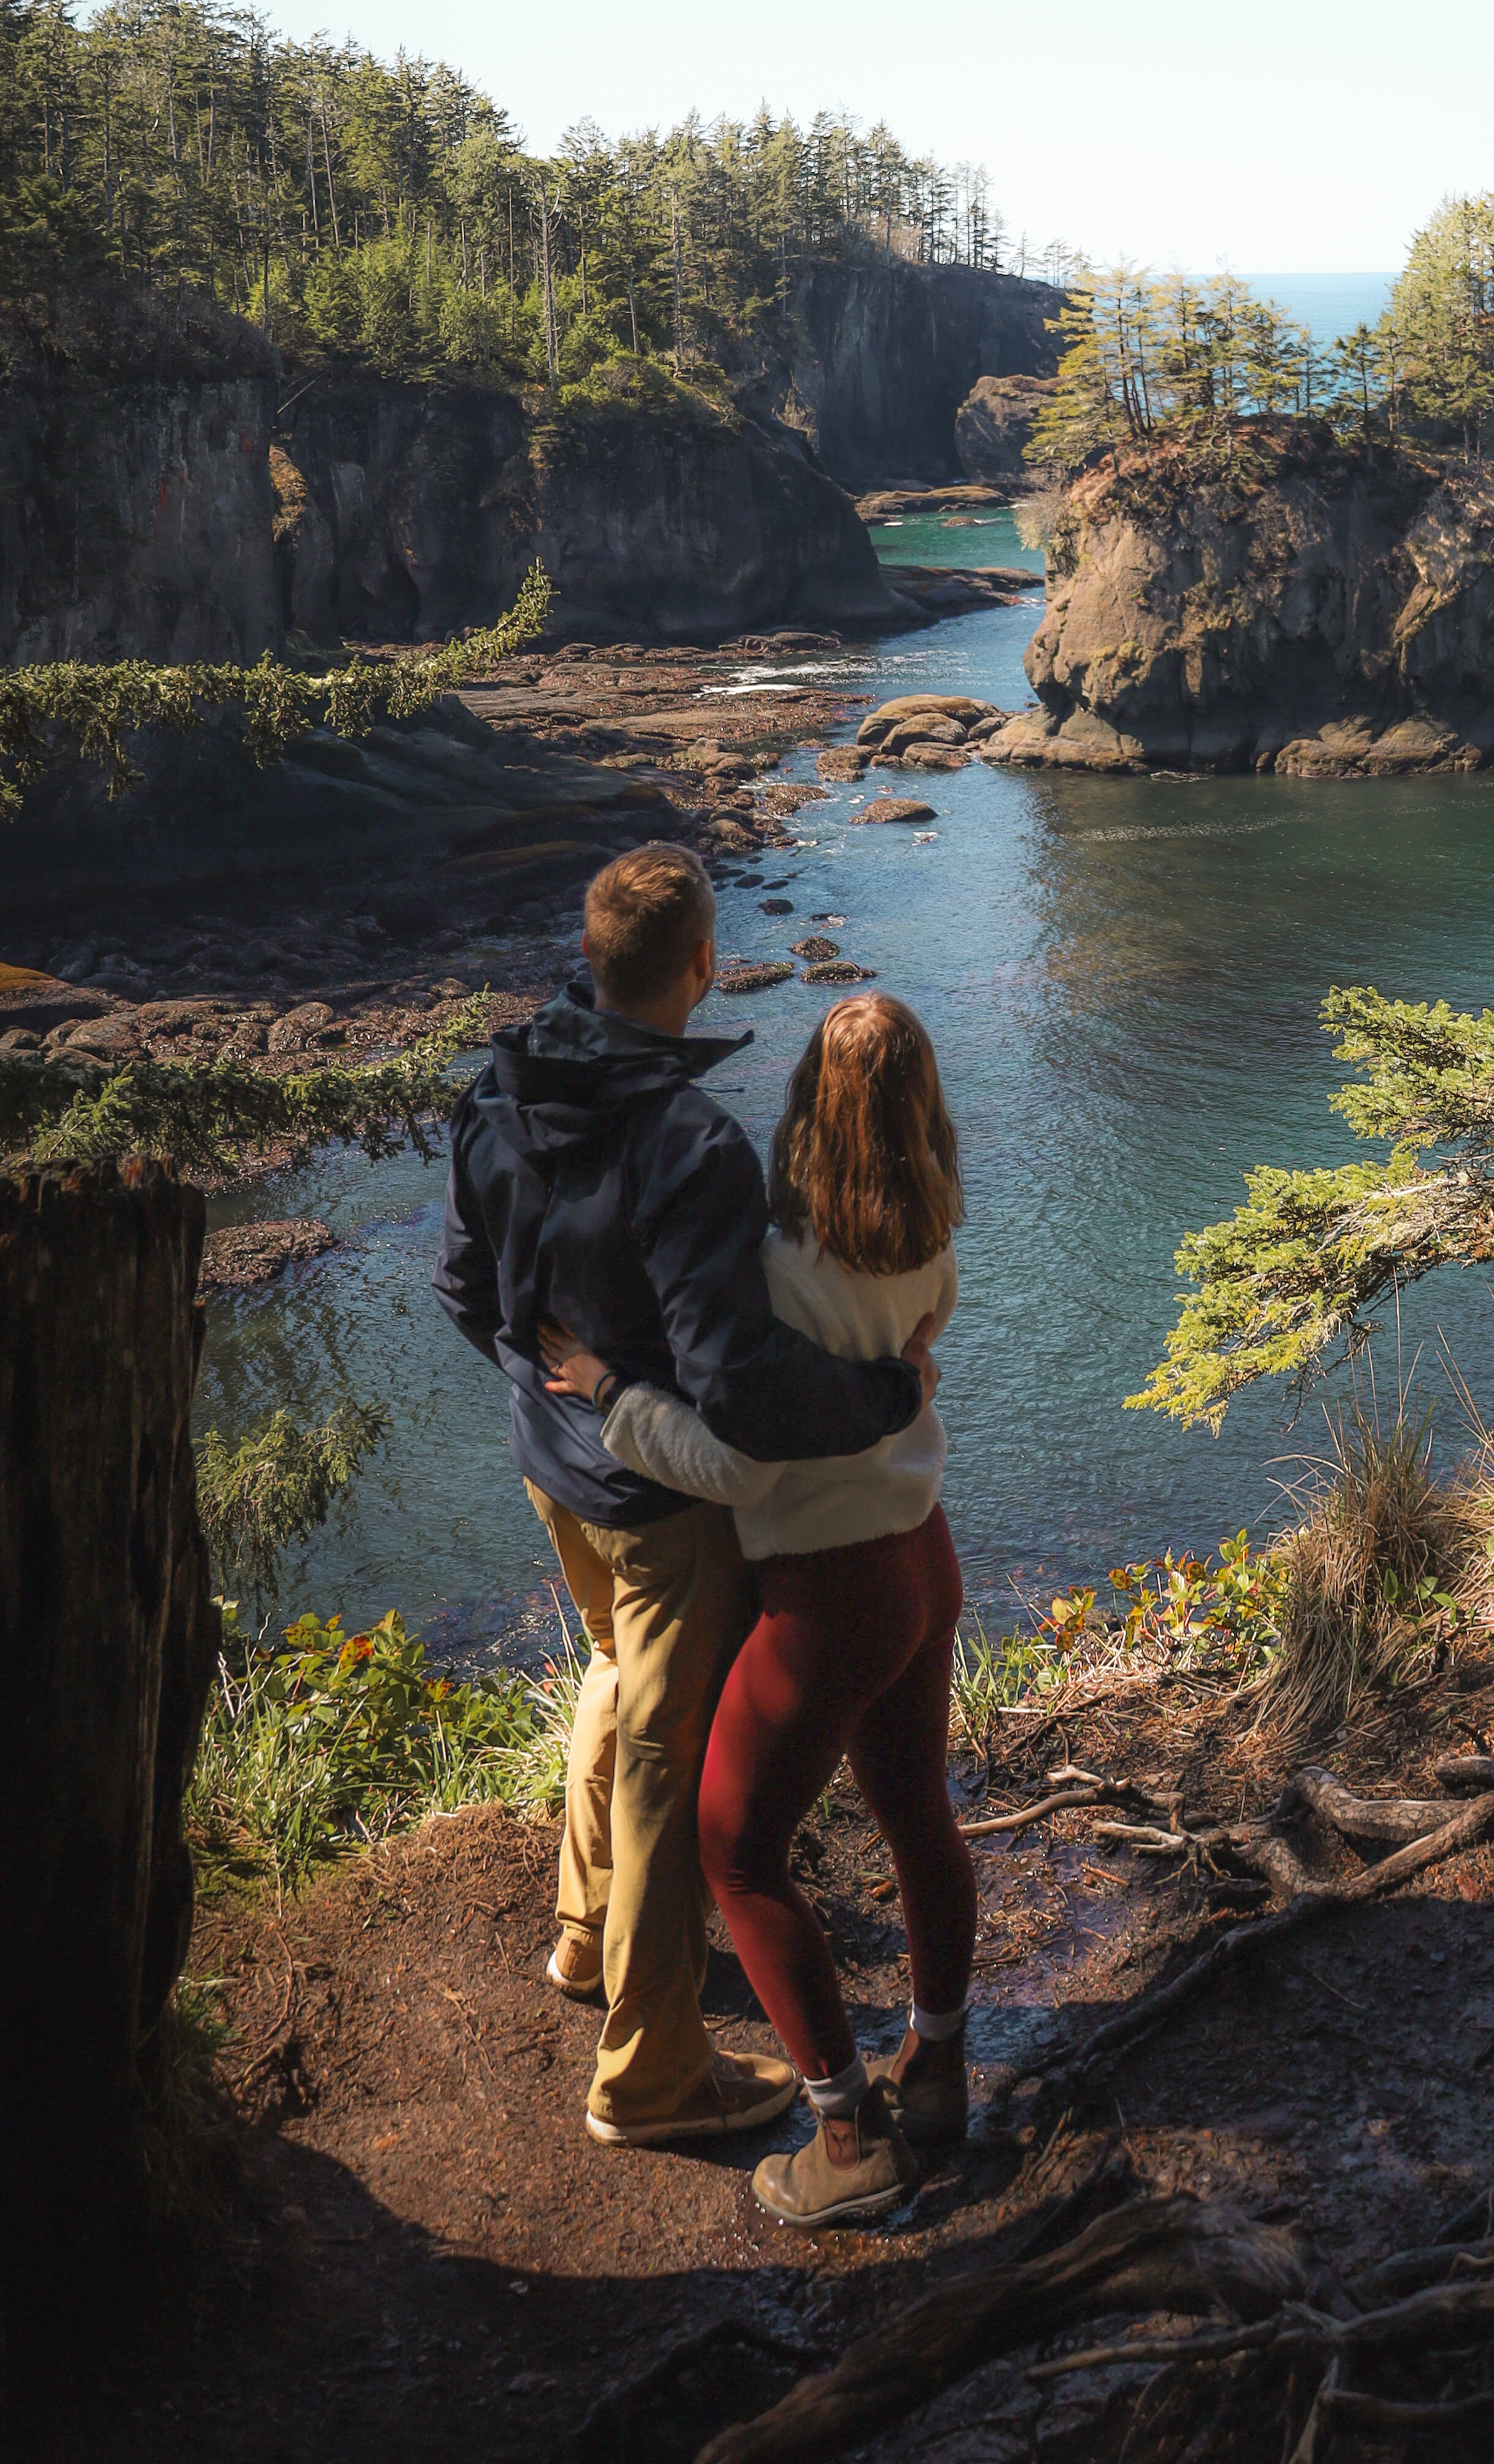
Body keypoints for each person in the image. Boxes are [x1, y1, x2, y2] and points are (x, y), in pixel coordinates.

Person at [434, 843, 926, 2153]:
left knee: (614, 1670)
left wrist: (556, 1389)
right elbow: (741, 1386)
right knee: (665, 1760)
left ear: (591, 958)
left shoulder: (497, 1083)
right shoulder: (690, 1141)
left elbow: (463, 1292)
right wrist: (882, 1396)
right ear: (705, 962)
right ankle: (646, 2075)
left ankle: (586, 1937)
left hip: (554, 1459)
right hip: (654, 1494)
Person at [540, 988, 975, 2231]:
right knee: (917, 1815)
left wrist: (610, 1387)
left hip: (831, 1591)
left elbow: (741, 1465)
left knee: (736, 1848)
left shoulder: (780, 1272)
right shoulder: (933, 1233)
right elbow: (915, 1356)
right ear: (925, 1105)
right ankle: (934, 2066)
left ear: (804, 1103)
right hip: (921, 1560)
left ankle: (847, 2132)